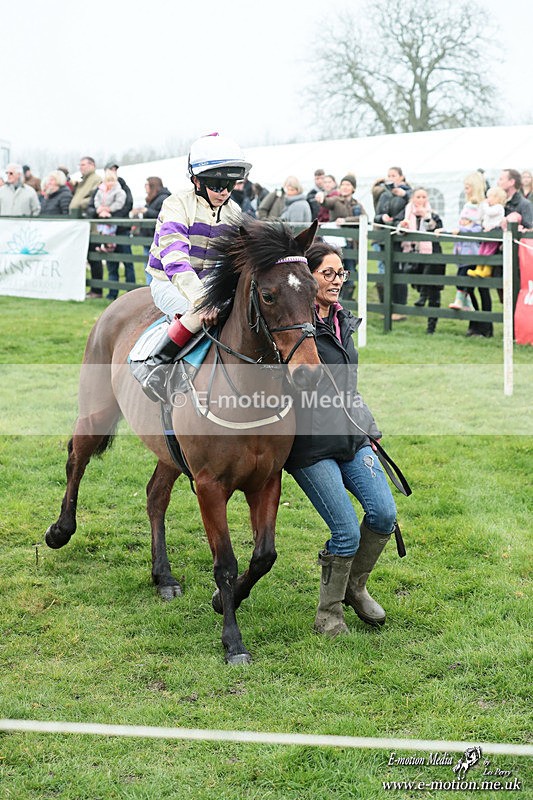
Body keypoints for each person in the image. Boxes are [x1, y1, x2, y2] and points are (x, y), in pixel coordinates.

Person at [284, 242, 397, 637]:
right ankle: (328, 613)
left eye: (341, 273)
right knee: (346, 531)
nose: (336, 281)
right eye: (328, 273)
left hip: (352, 436)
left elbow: (350, 387)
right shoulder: (292, 327)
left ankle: (355, 587)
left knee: (384, 514)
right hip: (310, 445)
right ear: (307, 278)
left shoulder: (343, 320)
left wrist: (368, 427)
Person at [132, 132, 250, 401]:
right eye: (216, 184)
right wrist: (202, 302)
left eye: (229, 185)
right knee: (197, 313)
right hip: (167, 281)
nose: (224, 192)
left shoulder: (234, 213)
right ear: (196, 180)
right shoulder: (175, 205)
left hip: (208, 282)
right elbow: (175, 261)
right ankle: (156, 365)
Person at [398, 187, 443, 334]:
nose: (421, 200)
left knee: (434, 292)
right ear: (412, 198)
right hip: (414, 256)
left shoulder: (432, 214)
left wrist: (427, 218)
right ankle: (422, 294)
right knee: (416, 279)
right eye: (418, 197)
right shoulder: (407, 212)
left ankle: (431, 327)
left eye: (424, 197)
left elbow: (438, 227)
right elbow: (397, 227)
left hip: (432, 255)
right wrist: (401, 226)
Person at [373, 167, 412, 320]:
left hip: (401, 237)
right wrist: (382, 217)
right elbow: (377, 215)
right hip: (385, 237)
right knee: (385, 273)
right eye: (388, 175)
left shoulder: (408, 192)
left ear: (401, 177)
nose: (390, 178)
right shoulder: (384, 194)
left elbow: (414, 207)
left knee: (399, 273)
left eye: (393, 175)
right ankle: (386, 308)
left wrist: (405, 195)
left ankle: (400, 308)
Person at [446, 172, 485, 319]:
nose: (465, 190)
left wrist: (463, 228)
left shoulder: (480, 206)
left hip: (471, 250)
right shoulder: (468, 205)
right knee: (461, 276)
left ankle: (460, 300)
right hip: (461, 249)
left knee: (462, 277)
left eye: (468, 187)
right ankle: (468, 303)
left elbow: (477, 227)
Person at [131, 177, 172, 284]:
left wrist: (146, 211)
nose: (145, 187)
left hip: (156, 239)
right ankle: (150, 291)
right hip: (148, 237)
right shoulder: (153, 198)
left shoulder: (163, 198)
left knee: (155, 267)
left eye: (147, 184)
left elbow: (163, 216)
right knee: (148, 266)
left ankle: (152, 290)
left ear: (152, 185)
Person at [467, 186, 506, 278]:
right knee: (482, 251)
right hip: (486, 232)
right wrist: (481, 207)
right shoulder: (488, 207)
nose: (488, 199)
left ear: (497, 198)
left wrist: (484, 205)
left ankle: (487, 270)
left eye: (490, 197)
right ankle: (478, 268)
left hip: (494, 232)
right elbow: (480, 216)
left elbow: (489, 212)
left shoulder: (498, 208)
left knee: (489, 251)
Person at [92, 168, 126, 253]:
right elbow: (96, 199)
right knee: (102, 231)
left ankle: (110, 246)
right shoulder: (101, 190)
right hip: (102, 215)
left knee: (110, 232)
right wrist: (99, 209)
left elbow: (119, 202)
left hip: (111, 215)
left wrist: (109, 209)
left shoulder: (119, 191)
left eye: (112, 180)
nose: (110, 183)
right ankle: (103, 246)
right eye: (108, 181)